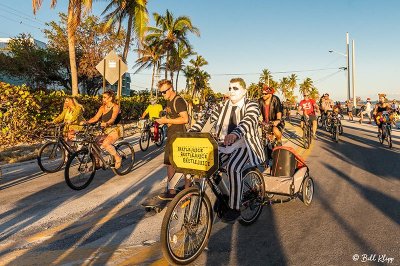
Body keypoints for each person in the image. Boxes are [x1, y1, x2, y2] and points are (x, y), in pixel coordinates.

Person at [189, 77, 265, 222]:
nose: (231, 91)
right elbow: (207, 119)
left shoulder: (252, 105)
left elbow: (249, 120)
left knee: (233, 168)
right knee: (208, 165)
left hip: (244, 145)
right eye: (230, 88)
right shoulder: (222, 106)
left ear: (244, 91)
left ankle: (235, 207)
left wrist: (235, 134)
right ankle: (225, 194)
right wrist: (191, 132)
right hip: (224, 145)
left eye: (235, 88)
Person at [155, 80, 189, 200]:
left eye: (164, 92)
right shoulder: (169, 101)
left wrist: (167, 121)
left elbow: (185, 119)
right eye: (161, 93)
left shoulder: (178, 101)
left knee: (183, 165)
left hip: (180, 137)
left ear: (170, 89)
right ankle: (171, 190)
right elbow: (172, 117)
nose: (162, 95)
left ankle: (188, 190)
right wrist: (162, 120)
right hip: (171, 136)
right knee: (169, 163)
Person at [86, 90, 122, 169]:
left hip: (115, 129)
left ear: (110, 98)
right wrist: (86, 122)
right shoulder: (102, 107)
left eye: (105, 97)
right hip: (105, 130)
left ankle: (118, 158)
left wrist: (107, 123)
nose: (103, 99)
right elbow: (95, 118)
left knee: (106, 144)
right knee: (94, 143)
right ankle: (97, 162)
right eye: (103, 97)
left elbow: (113, 119)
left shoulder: (116, 106)